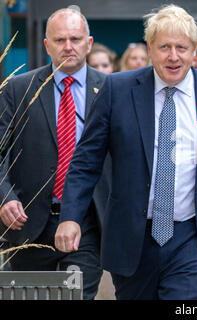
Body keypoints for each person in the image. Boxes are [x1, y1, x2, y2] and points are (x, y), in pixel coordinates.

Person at [54, 4, 197, 300]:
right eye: (164, 47)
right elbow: (86, 162)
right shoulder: (117, 89)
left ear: (195, 50)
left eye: (182, 48)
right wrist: (70, 216)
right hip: (133, 239)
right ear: (150, 48)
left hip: (195, 238)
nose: (173, 57)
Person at [0, 8, 107, 299]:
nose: (68, 47)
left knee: (78, 295)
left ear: (89, 42)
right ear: (47, 45)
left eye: (75, 38)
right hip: (28, 224)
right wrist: (4, 196)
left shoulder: (111, 89)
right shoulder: (18, 89)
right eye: (60, 40)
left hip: (88, 222)